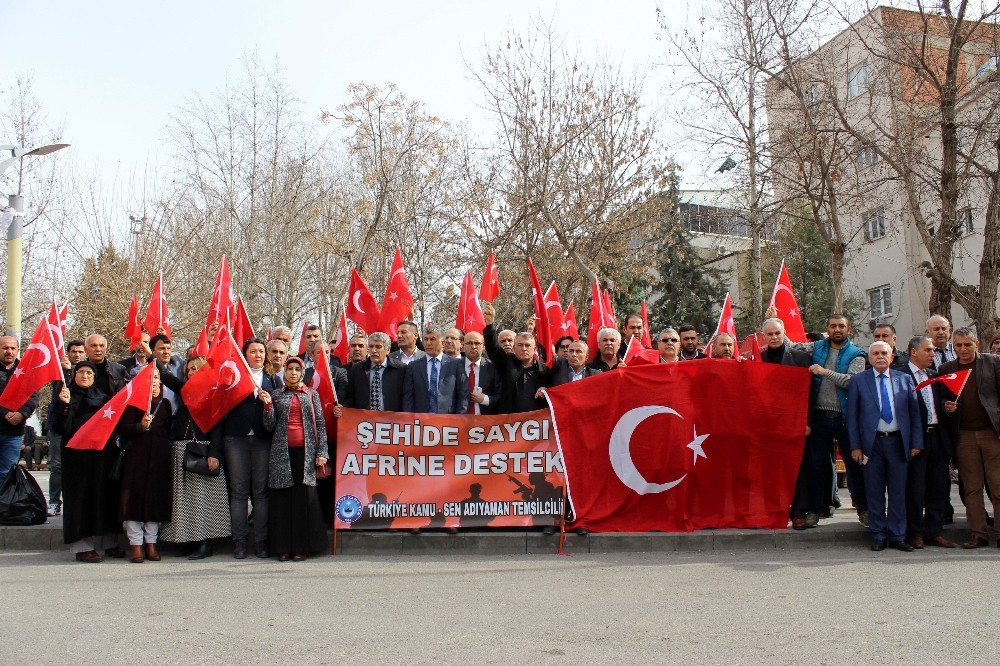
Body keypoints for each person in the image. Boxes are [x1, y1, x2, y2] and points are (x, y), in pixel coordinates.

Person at [847, 341, 922, 552]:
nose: (880, 356)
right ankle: (879, 534)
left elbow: (915, 415)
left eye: (884, 353)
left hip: (898, 442)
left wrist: (915, 442)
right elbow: (852, 417)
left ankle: (898, 534)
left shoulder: (905, 379)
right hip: (872, 444)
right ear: (869, 358)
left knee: (898, 491)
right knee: (874, 490)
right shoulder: (859, 381)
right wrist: (855, 446)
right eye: (875, 353)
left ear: (892, 357)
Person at [157, 356, 231, 559]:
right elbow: (166, 377)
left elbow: (218, 426)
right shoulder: (185, 390)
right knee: (185, 501)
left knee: (202, 501)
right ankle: (189, 541)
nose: (190, 373)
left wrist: (214, 453)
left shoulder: (212, 394)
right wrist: (149, 354)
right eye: (188, 370)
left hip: (203, 449)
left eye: (195, 369)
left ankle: (205, 543)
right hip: (182, 447)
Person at [800, 314, 867, 527]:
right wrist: (776, 321)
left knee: (854, 465)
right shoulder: (817, 347)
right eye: (833, 326)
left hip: (845, 418)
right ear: (827, 328)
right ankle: (817, 510)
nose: (837, 329)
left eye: (841, 326)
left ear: (849, 329)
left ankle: (864, 510)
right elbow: (791, 345)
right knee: (817, 465)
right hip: (819, 417)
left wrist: (825, 372)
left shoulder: (857, 354)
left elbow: (852, 381)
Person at [211, 338, 273, 559]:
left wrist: (268, 404)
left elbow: (276, 416)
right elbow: (220, 411)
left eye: (261, 352)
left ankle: (261, 541)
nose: (258, 355)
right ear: (244, 354)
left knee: (261, 492)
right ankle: (239, 541)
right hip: (235, 438)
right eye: (253, 351)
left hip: (262, 440)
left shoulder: (272, 380)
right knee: (238, 491)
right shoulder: (233, 378)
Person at [54, 361, 122, 563]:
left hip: (101, 458)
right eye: (81, 372)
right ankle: (82, 546)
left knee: (105, 497)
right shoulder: (66, 397)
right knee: (80, 500)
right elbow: (61, 429)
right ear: (74, 375)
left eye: (89, 373)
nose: (85, 376)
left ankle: (110, 542)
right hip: (76, 460)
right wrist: (64, 407)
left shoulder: (103, 399)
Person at [263, 356, 329, 561]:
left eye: (296, 369)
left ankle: (302, 547)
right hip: (281, 454)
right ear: (284, 372)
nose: (293, 372)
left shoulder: (312, 395)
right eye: (289, 369)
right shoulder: (276, 394)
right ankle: (283, 548)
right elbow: (269, 426)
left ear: (302, 373)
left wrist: (322, 453)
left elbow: (320, 423)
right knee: (283, 502)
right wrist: (267, 407)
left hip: (307, 454)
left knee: (303, 501)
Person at [940, 328, 1000, 549]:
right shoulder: (946, 369)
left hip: (992, 433)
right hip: (964, 436)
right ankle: (978, 534)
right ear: (953, 347)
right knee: (972, 488)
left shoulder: (993, 363)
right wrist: (946, 407)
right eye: (958, 345)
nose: (963, 349)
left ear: (976, 343)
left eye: (967, 344)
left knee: (997, 485)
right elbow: (941, 401)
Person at [902, 336, 956, 548]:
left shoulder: (934, 375)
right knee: (915, 488)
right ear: (914, 352)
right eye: (929, 350)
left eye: (933, 350)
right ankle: (915, 532)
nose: (933, 354)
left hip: (938, 439)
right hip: (917, 439)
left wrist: (946, 406)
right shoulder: (901, 375)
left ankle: (934, 531)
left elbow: (938, 402)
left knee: (938, 487)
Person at [760, 318, 813, 529]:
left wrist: (808, 421)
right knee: (771, 469)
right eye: (770, 334)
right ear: (763, 336)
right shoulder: (758, 358)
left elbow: (810, 392)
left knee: (797, 467)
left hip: (794, 421)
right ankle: (772, 510)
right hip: (767, 423)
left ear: (784, 333)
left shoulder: (800, 358)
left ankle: (798, 511)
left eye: (777, 333)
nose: (774, 337)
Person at [116, 368, 173, 563]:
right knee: (134, 500)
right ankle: (136, 544)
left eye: (156, 378)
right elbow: (123, 428)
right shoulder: (132, 403)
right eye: (150, 379)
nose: (154, 382)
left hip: (159, 458)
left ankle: (151, 543)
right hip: (136, 458)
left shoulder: (165, 404)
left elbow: (168, 430)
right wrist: (140, 426)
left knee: (154, 501)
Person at [483, 302, 550, 414]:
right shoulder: (507, 362)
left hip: (535, 425)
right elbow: (493, 349)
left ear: (534, 349)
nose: (524, 348)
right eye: (520, 345)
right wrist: (490, 324)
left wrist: (545, 389)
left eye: (527, 345)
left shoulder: (544, 370)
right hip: (509, 424)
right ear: (514, 348)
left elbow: (552, 389)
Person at [402, 325, 469, 414]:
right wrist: (409, 421)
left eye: (432, 339)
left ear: (442, 343)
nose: (428, 343)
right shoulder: (413, 366)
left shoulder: (456, 364)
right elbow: (408, 398)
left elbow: (463, 396)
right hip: (421, 422)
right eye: (425, 339)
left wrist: (459, 420)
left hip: (449, 422)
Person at [0, 335, 39, 484]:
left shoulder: (27, 371)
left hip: (14, 432)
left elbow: (33, 397)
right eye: (5, 348)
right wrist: (5, 413)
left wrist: (22, 414)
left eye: (12, 348)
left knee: (8, 472)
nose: (9, 351)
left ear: (17, 350)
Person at [344, 332, 406, 411]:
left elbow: (406, 398)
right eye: (371, 346)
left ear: (388, 350)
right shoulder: (357, 369)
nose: (373, 350)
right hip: (364, 421)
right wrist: (343, 407)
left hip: (392, 420)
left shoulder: (400, 369)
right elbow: (350, 397)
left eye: (378, 347)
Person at [463, 331, 502, 415]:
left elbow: (501, 396)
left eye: (477, 343)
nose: (473, 347)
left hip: (485, 424)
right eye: (469, 343)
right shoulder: (454, 366)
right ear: (463, 345)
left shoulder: (493, 368)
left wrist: (484, 399)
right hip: (459, 422)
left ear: (483, 346)